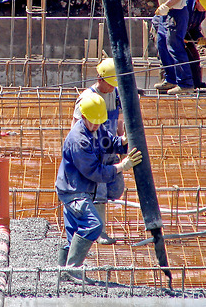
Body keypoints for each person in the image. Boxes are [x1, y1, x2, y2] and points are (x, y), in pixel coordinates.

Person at [56, 93, 142, 284]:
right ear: (83, 116)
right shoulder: (78, 140)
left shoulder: (96, 128)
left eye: (98, 122)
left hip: (78, 188)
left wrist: (124, 141)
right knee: (93, 225)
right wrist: (121, 167)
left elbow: (109, 142)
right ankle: (72, 270)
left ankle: (63, 272)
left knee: (75, 233)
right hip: (73, 191)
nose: (96, 126)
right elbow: (94, 172)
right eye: (92, 122)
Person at [71, 58, 124, 245]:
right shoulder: (87, 98)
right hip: (94, 153)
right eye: (110, 83)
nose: (112, 87)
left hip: (110, 149)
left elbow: (118, 120)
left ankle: (87, 216)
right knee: (99, 193)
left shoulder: (116, 94)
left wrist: (122, 144)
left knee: (116, 190)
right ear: (100, 78)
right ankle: (98, 232)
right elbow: (76, 127)